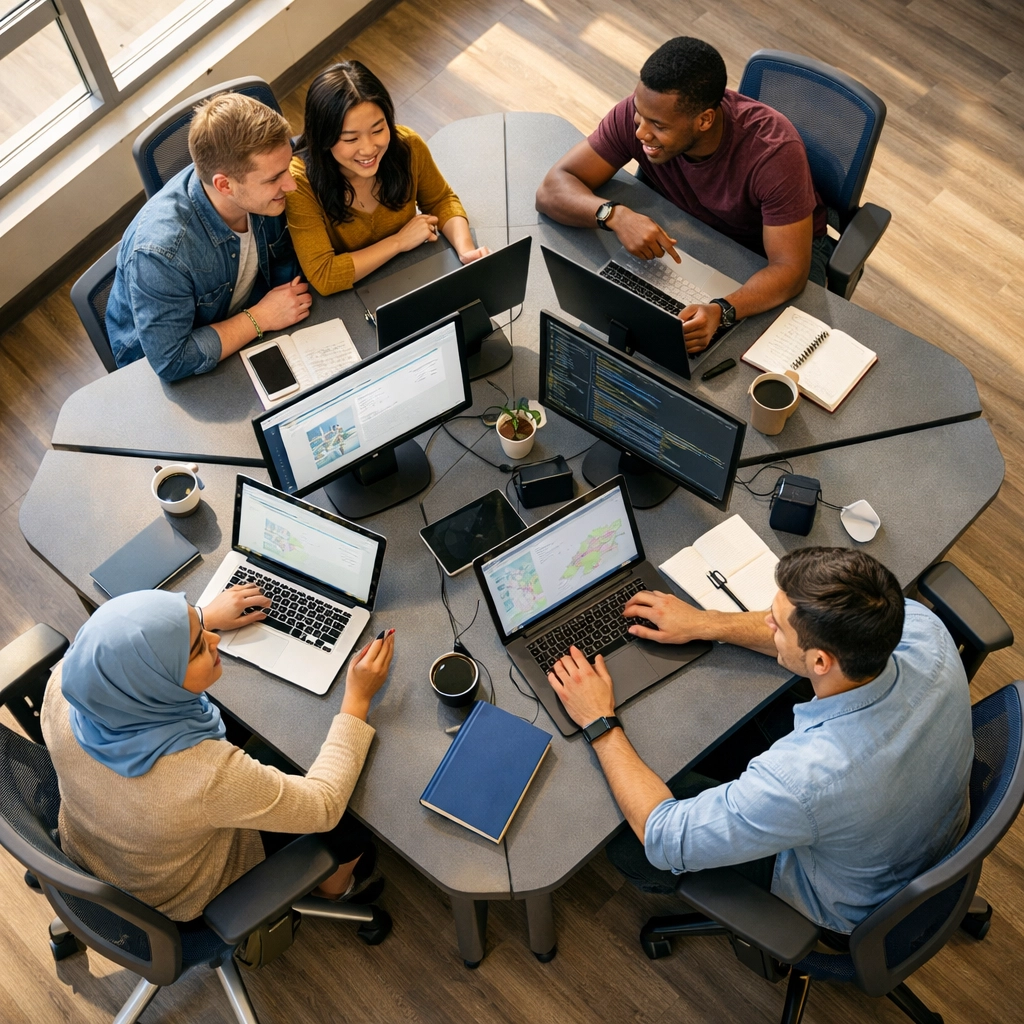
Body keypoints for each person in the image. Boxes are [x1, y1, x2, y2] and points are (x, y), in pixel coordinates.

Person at [546, 548, 973, 942]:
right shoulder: (921, 628)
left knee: (625, 840)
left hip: (849, 899)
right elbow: (807, 647)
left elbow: (665, 835)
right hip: (919, 829)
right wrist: (704, 622)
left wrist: (598, 720)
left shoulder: (804, 779)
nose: (765, 621)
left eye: (776, 621)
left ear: (821, 662)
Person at [40, 587, 395, 922]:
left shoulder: (64, 687)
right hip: (179, 894)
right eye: (196, 648)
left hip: (97, 851)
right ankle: (333, 890)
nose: (213, 640)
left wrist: (199, 619)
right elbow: (323, 805)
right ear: (155, 682)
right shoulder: (203, 774)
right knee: (356, 813)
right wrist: (358, 697)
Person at [535, 36, 830, 354]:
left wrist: (721, 311)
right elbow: (552, 188)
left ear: (704, 120)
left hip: (760, 254)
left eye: (658, 125)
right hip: (687, 234)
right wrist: (613, 215)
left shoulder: (774, 153)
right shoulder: (643, 115)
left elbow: (789, 269)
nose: (640, 132)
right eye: (639, 113)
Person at [107, 92, 312, 382]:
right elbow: (171, 361)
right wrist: (260, 318)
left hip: (250, 330)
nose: (290, 185)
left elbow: (282, 260)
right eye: (273, 179)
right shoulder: (160, 254)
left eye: (286, 167)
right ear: (224, 185)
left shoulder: (260, 195)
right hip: (179, 376)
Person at [285, 61, 489, 295]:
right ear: (323, 137)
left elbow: (440, 200)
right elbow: (325, 275)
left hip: (412, 274)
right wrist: (399, 242)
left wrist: (466, 252)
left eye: (378, 130)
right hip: (352, 295)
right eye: (351, 139)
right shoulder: (300, 182)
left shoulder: (407, 145)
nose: (369, 149)